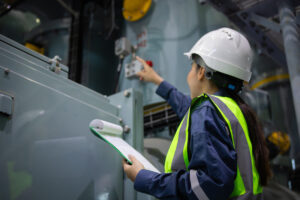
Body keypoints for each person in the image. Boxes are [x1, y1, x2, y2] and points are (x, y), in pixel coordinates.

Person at [123, 27, 272, 200]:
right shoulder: (233, 110)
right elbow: (188, 110)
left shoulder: (206, 110)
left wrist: (144, 178)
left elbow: (208, 186)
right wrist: (157, 80)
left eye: (191, 68)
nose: (189, 75)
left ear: (201, 71)